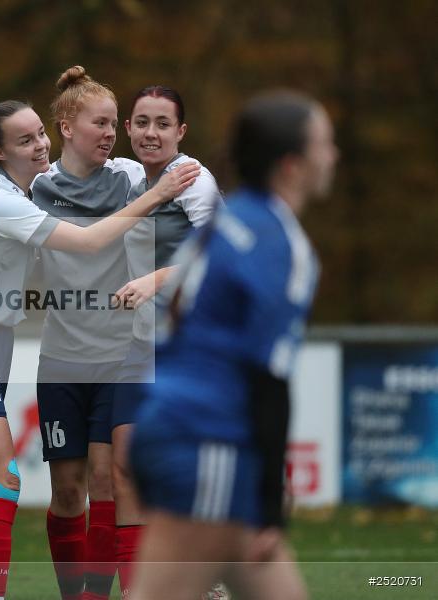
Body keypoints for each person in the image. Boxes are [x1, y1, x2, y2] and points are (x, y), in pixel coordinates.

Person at [0, 100, 197, 600]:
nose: (39, 146)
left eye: (39, 135)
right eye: (25, 140)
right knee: (4, 479)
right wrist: (160, 193)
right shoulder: (5, 198)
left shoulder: (27, 189)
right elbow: (85, 242)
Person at [128, 90, 338, 600]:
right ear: (291, 164)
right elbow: (268, 378)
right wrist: (271, 499)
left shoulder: (227, 219)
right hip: (208, 440)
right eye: (325, 144)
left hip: (174, 425)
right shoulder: (278, 242)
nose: (334, 155)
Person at [108, 86, 223, 598]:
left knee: (182, 463)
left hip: (187, 348)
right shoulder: (130, 178)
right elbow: (53, 187)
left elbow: (217, 261)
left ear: (181, 132)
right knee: (127, 463)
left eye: (161, 123)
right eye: (140, 122)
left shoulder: (194, 181)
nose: (150, 133)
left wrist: (152, 282)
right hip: (136, 344)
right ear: (127, 129)